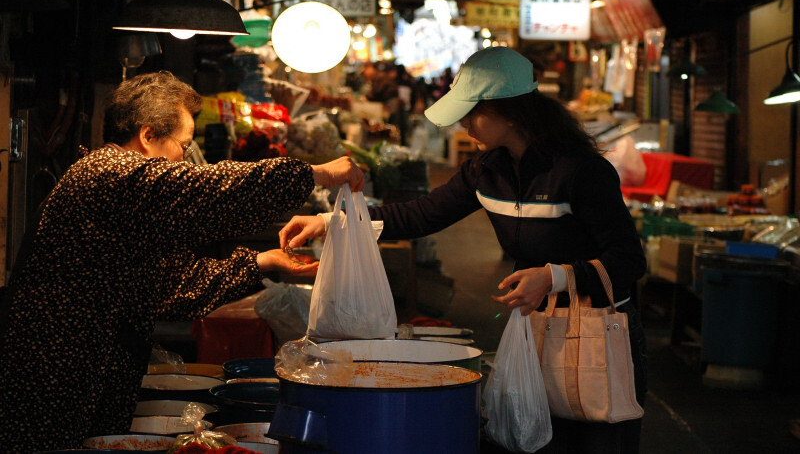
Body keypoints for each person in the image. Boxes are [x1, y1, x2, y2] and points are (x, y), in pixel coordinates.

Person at [280, 47, 647, 453]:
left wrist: (553, 276)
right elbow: (421, 215)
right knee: (534, 440)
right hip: (535, 330)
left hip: (597, 335)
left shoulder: (581, 171)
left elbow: (629, 259)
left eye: (473, 112)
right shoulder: (486, 170)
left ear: (512, 111)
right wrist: (333, 224)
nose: (466, 123)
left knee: (594, 441)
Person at [0, 71, 363, 453]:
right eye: (184, 146)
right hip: (51, 375)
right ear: (148, 136)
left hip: (84, 374)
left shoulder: (124, 194)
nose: (186, 160)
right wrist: (315, 173)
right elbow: (211, 191)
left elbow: (173, 287)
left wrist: (262, 262)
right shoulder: (109, 174)